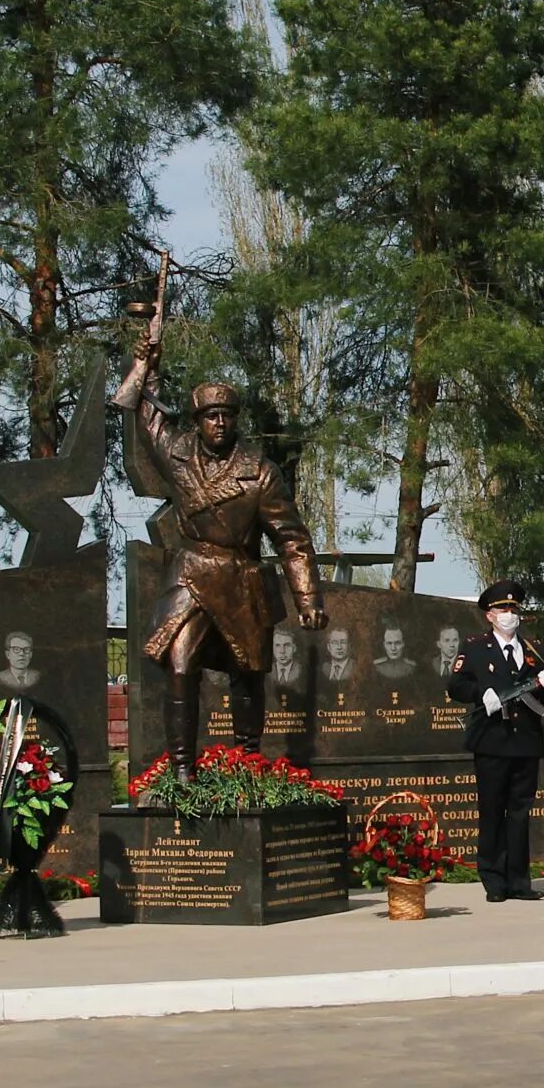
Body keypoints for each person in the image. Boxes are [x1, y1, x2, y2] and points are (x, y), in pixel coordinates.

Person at [114, 334, 328, 786]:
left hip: (240, 577)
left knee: (245, 675)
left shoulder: (260, 472)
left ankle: (248, 759)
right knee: (179, 663)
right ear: (196, 421)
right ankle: (181, 769)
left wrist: (307, 598)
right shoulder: (177, 455)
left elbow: (291, 538)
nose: (219, 424)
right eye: (211, 416)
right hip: (190, 575)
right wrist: (146, 360)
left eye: (226, 416)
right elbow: (147, 413)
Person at [445, 582, 544, 903]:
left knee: (521, 813)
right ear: (489, 615)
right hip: (491, 740)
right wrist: (480, 693)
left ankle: (519, 881)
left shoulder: (534, 649)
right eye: (502, 610)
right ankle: (494, 880)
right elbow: (455, 685)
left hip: (526, 741)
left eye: (513, 609)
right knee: (493, 811)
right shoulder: (475, 647)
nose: (509, 615)